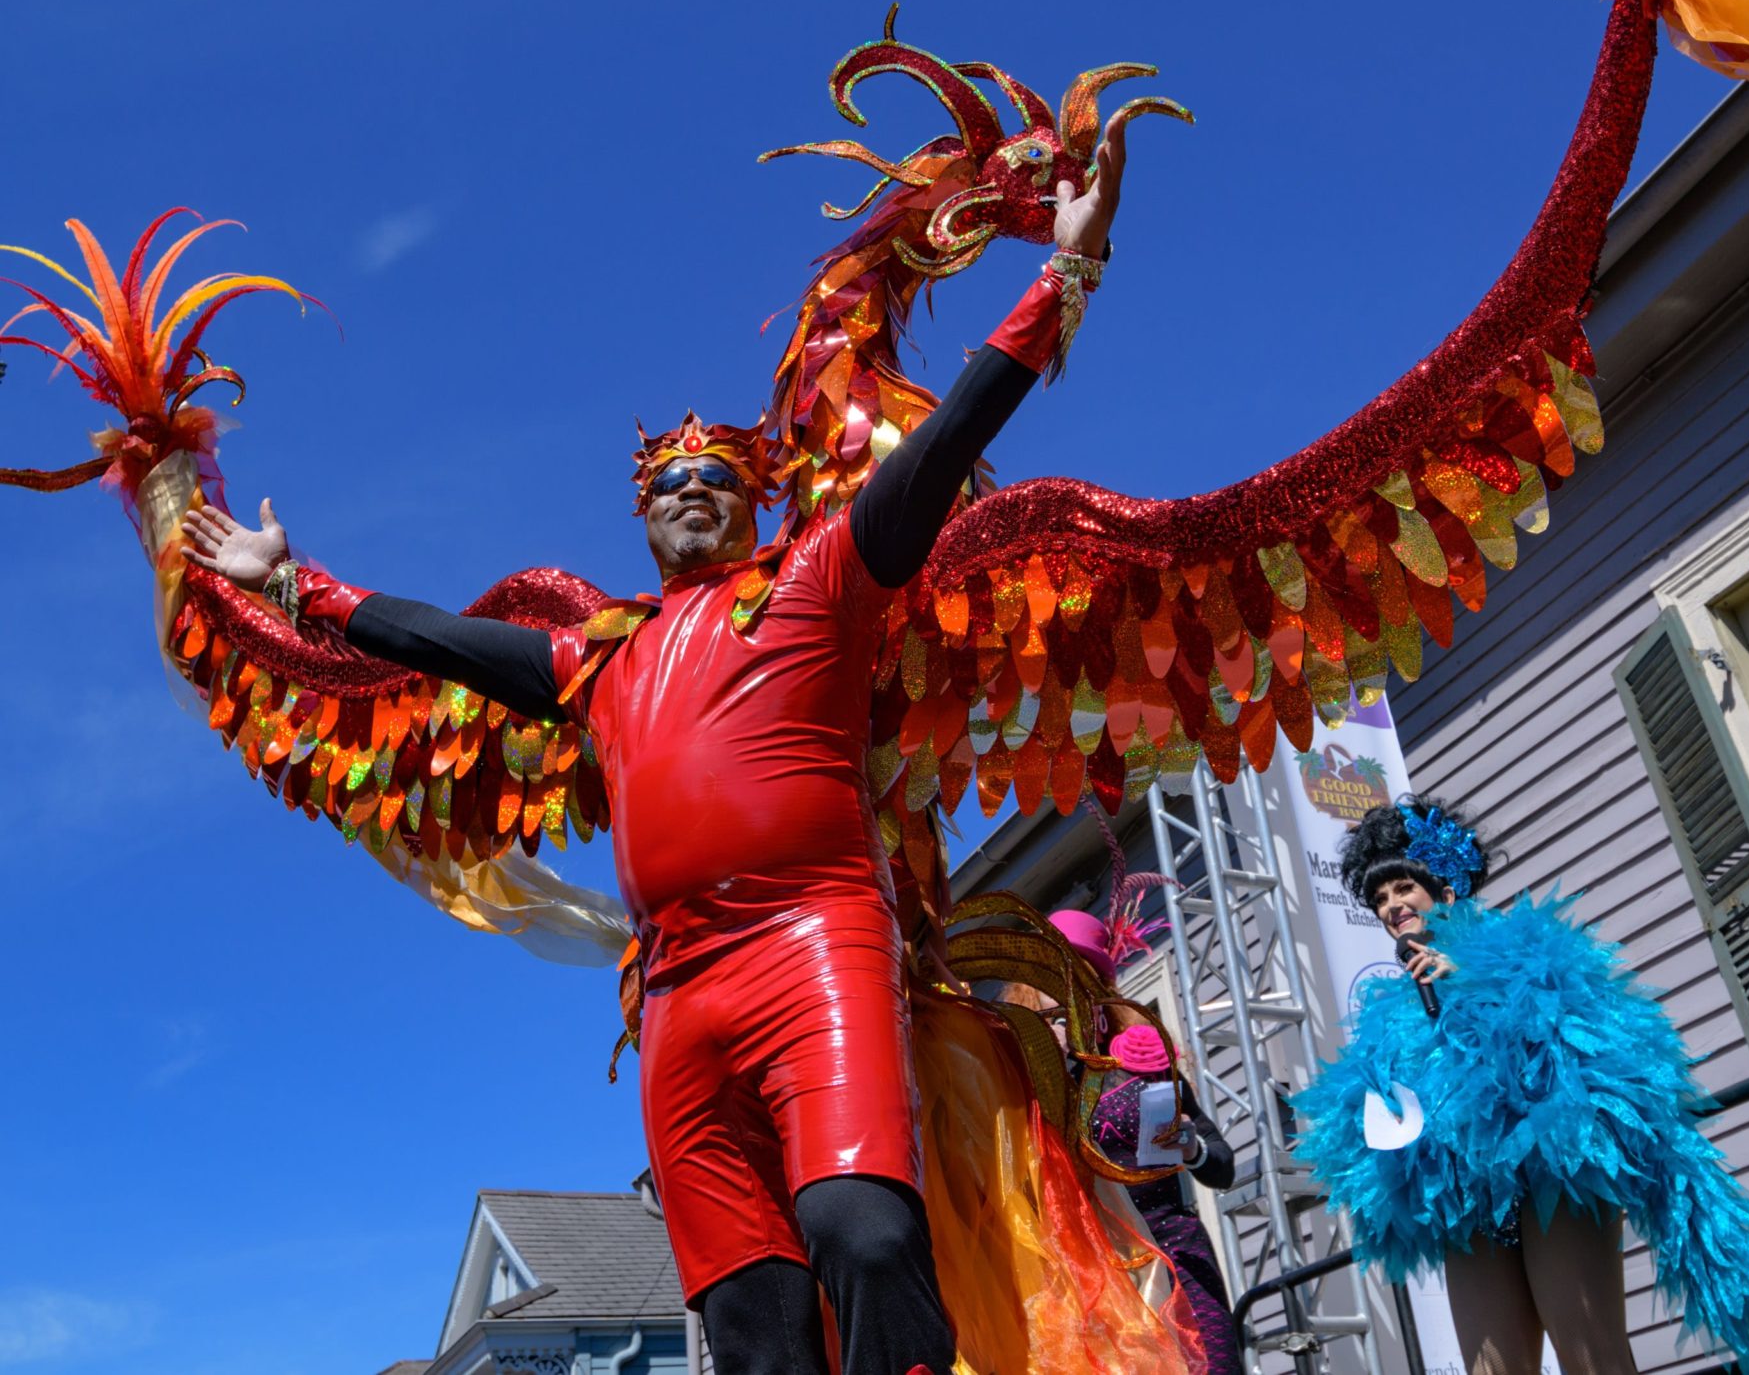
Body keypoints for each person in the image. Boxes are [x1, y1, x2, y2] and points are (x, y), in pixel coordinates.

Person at [177, 128, 1137, 1375]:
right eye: (669, 480)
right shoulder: (599, 658)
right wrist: (299, 585)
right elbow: (446, 642)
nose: (691, 488)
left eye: (716, 477)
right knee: (746, 1313)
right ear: (642, 515)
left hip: (813, 941)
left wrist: (1063, 275)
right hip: (681, 988)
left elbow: (953, 431)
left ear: (756, 501)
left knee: (862, 1224)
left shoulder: (823, 573)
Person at [1292, 799, 1749, 1375]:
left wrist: (1478, 984)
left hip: (1553, 1177)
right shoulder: (1394, 1012)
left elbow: (1592, 1055)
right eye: (1380, 899)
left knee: (1590, 1354)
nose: (1391, 907)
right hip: (1470, 1202)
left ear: (1447, 891)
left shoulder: (1528, 952)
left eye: (1403, 888)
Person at [1091, 1024, 1245, 1375]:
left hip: (1177, 1246)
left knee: (1214, 1364)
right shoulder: (1051, 1075)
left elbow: (1222, 1168)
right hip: (1107, 1259)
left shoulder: (1151, 1067)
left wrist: (1192, 1148)